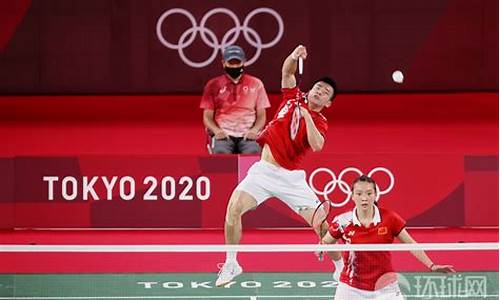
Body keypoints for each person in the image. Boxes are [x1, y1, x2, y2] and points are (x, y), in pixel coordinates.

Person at [215, 44, 343, 287]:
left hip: (291, 179)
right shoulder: (293, 96)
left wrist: (307, 117)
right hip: (263, 171)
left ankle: (340, 268)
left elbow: (317, 146)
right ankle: (232, 263)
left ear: (328, 102)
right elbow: (287, 73)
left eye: (325, 92)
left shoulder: (320, 121)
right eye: (317, 87)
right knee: (233, 210)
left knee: (322, 226)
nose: (319, 91)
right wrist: (294, 55)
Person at [322, 175, 455, 299]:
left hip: (385, 287)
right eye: (359, 194)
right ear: (352, 196)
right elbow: (326, 241)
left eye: (369, 193)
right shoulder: (343, 221)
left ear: (375, 195)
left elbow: (410, 243)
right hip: (350, 288)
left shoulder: (390, 218)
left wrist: (431, 265)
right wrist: (321, 248)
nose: (364, 198)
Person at [200, 45, 270, 154]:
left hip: (248, 135)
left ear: (244, 62)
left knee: (253, 154)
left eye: (237, 62)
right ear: (223, 63)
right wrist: (217, 131)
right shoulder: (213, 85)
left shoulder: (256, 84)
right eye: (231, 63)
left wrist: (254, 130)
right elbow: (207, 117)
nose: (234, 66)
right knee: (220, 154)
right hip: (224, 134)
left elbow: (262, 115)